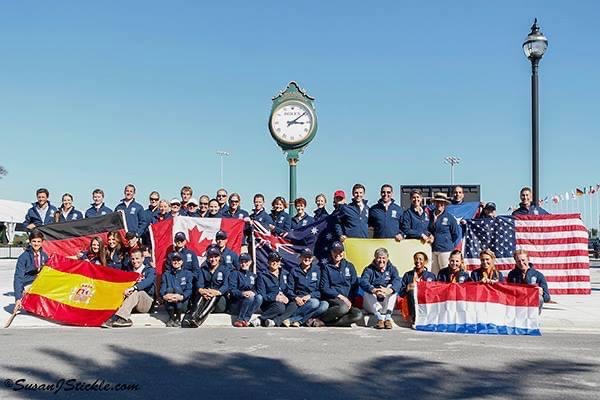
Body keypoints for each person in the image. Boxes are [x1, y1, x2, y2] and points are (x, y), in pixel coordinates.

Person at [106, 248, 156, 328]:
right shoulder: (129, 270)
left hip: (145, 302)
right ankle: (109, 317)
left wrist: (134, 288)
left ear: (143, 258)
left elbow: (148, 282)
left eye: (137, 258)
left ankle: (121, 318)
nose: (135, 261)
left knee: (137, 292)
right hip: (131, 301)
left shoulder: (149, 270)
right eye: (133, 259)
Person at [182, 246, 231, 328]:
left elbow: (226, 286)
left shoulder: (225, 270)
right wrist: (203, 291)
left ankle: (199, 319)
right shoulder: (203, 269)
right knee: (201, 295)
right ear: (208, 258)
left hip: (219, 300)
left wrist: (216, 292)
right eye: (211, 257)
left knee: (214, 297)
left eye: (215, 257)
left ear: (219, 257)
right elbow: (199, 284)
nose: (213, 259)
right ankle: (192, 317)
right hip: (206, 296)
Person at [318, 241, 363, 327]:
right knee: (343, 308)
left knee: (358, 315)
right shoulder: (326, 268)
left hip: (348, 300)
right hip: (333, 299)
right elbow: (324, 288)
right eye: (335, 251)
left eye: (340, 251)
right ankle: (321, 318)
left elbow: (355, 285)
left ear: (343, 253)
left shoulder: (350, 266)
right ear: (331, 252)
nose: (337, 254)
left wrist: (351, 300)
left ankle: (328, 323)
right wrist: (341, 297)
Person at [283, 249, 328, 327]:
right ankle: (298, 320)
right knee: (314, 303)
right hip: (300, 299)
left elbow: (320, 290)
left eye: (309, 257)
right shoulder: (294, 271)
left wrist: (310, 296)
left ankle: (294, 320)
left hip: (312, 297)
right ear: (300, 258)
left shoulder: (317, 270)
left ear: (312, 258)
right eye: (305, 257)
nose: (307, 259)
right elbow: (289, 289)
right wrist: (296, 297)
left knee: (325, 305)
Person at [359, 248, 402, 329]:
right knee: (367, 292)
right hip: (372, 303)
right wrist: (374, 290)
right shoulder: (369, 269)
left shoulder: (392, 269)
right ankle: (379, 319)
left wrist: (388, 290)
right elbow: (363, 281)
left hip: (385, 300)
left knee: (392, 289)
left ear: (387, 258)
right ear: (375, 258)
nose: (381, 260)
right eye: (379, 258)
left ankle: (388, 318)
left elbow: (397, 282)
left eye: (383, 258)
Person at [256, 252, 294, 327]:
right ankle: (261, 319)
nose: (275, 263)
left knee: (294, 305)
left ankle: (275, 321)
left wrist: (287, 297)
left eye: (277, 261)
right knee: (280, 307)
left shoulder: (286, 274)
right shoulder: (262, 275)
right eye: (272, 261)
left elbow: (289, 289)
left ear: (280, 262)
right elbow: (262, 294)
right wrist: (275, 297)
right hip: (270, 303)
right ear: (268, 262)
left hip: (284, 301)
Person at [398, 251, 437, 325]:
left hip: (426, 302)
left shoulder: (431, 276)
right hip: (412, 302)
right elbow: (401, 293)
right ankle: (414, 318)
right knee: (411, 291)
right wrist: (407, 288)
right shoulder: (408, 275)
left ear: (425, 261)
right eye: (416, 259)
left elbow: (435, 292)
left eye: (420, 259)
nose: (418, 261)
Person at [13, 230, 49, 309]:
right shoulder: (23, 257)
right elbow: (18, 277)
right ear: (30, 242)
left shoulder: (44, 256)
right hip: (27, 283)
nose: (36, 244)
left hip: (39, 282)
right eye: (34, 241)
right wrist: (18, 298)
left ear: (42, 242)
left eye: (39, 241)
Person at [428, 192, 460, 274]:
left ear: (445, 204)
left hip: (445, 250)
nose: (439, 204)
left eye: (442, 202)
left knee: (445, 274)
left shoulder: (450, 218)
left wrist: (447, 242)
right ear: (435, 203)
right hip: (432, 249)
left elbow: (456, 234)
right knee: (434, 274)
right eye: (437, 202)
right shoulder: (429, 216)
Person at [229, 253, 262, 327]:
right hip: (237, 302)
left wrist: (253, 293)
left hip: (249, 302)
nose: (244, 264)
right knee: (250, 297)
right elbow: (232, 290)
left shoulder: (253, 276)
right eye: (241, 262)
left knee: (259, 297)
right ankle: (239, 319)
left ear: (250, 262)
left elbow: (258, 289)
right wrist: (242, 293)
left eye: (246, 261)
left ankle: (245, 319)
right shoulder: (234, 274)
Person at [160, 252, 193, 327]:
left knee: (177, 290)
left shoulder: (188, 274)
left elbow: (189, 289)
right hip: (169, 301)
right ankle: (171, 318)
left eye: (178, 260)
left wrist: (181, 297)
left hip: (182, 302)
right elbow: (162, 288)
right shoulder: (166, 274)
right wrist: (164, 296)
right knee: (169, 290)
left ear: (182, 262)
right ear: (171, 262)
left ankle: (178, 318)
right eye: (174, 260)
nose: (176, 262)